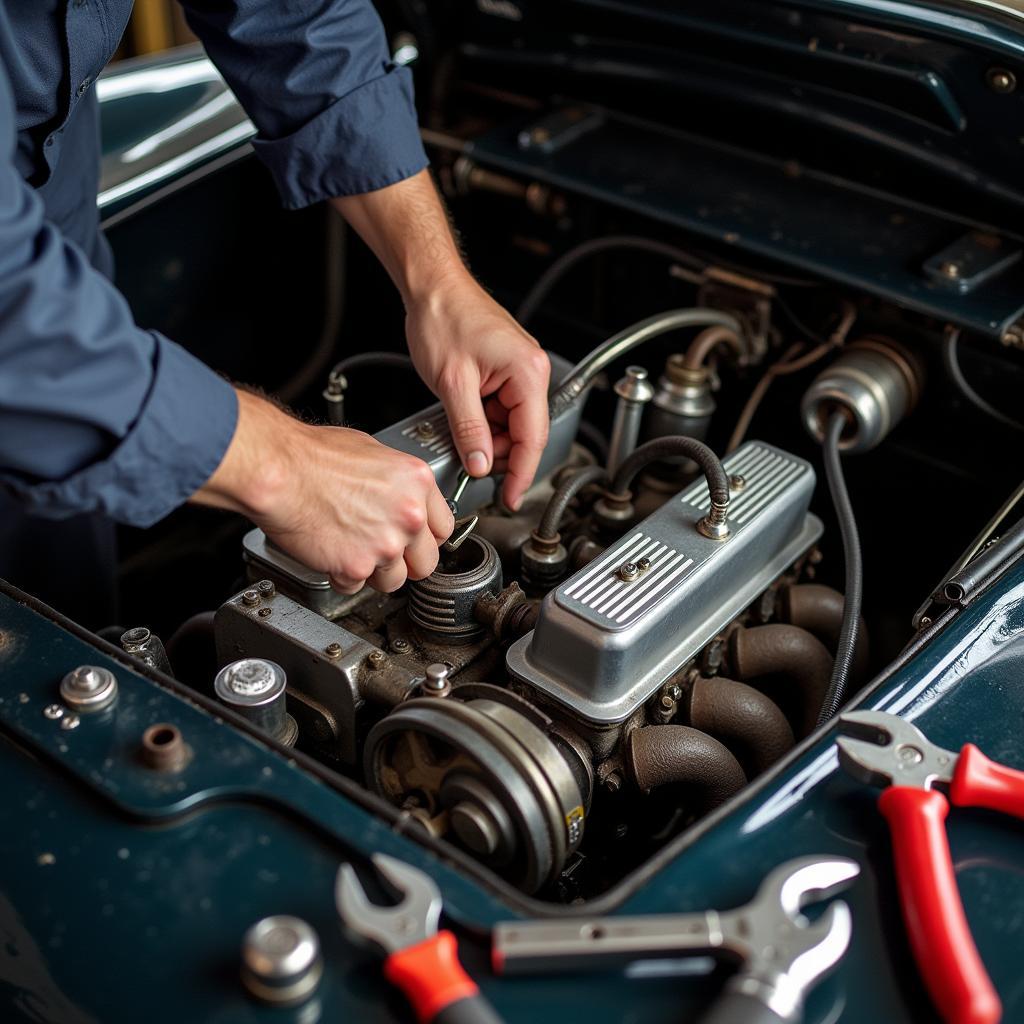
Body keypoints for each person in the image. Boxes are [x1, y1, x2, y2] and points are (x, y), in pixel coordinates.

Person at [0, 1, 550, 623]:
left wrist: (439, 284)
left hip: (65, 283)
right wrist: (285, 468)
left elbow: (294, 17)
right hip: (25, 323)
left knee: (59, 621)